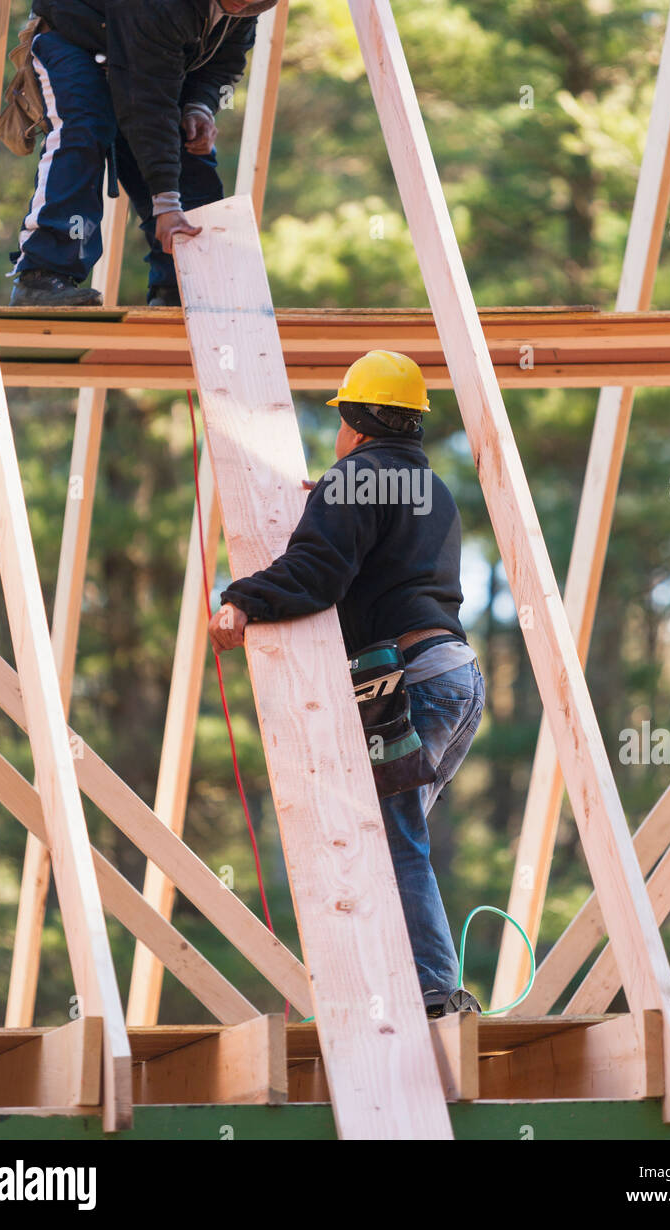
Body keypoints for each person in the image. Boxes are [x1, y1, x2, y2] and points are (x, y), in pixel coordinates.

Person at [208, 350, 486, 1018]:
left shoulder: (357, 477)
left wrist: (243, 599)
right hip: (458, 677)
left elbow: (318, 570)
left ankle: (431, 998)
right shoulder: (430, 488)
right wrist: (331, 500)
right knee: (394, 838)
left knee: (391, 843)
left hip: (412, 683)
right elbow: (379, 544)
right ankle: (415, 987)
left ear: (356, 424)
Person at [8, 0, 291, 308]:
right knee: (85, 129)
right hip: (74, 39)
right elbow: (145, 101)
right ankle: (41, 277)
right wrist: (165, 202)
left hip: (139, 61)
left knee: (188, 150)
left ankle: (183, 287)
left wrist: (199, 107)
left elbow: (223, 63)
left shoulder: (243, 4)